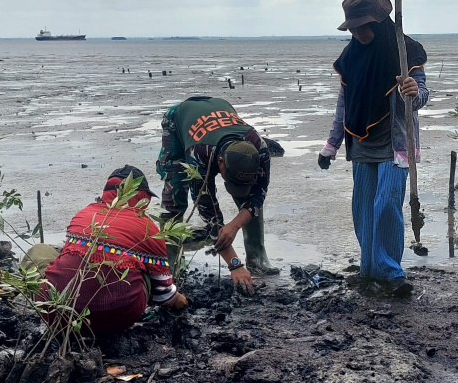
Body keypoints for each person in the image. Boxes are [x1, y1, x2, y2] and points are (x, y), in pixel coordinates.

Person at [317, 0, 429, 297]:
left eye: (362, 25)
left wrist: (411, 92)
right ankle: (368, 270)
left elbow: (422, 95)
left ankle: (390, 271)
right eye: (352, 26)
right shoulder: (351, 56)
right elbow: (344, 105)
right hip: (361, 143)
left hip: (396, 142)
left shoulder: (404, 51)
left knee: (386, 204)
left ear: (379, 22)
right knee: (362, 208)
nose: (357, 31)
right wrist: (331, 145)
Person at [22, 166, 187, 336]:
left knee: (39, 251)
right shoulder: (148, 229)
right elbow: (163, 295)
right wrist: (177, 299)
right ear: (140, 196)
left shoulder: (84, 214)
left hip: (54, 313)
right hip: (119, 316)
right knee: (147, 269)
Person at [156, 96, 278, 290]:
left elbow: (258, 194)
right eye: (232, 181)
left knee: (248, 199)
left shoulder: (260, 149)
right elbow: (209, 212)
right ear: (220, 162)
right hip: (179, 123)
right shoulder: (198, 154)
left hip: (219, 113)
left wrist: (235, 225)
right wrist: (234, 264)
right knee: (175, 195)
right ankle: (170, 266)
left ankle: (257, 258)